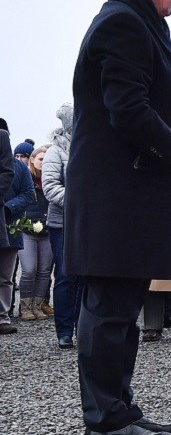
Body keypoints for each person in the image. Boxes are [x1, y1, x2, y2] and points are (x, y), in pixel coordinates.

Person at [70, 0, 171, 435]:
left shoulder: (139, 21)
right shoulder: (122, 23)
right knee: (109, 307)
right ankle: (104, 420)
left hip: (127, 191)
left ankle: (120, 407)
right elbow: (126, 109)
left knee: (123, 306)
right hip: (116, 193)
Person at [42, 103, 80, 348]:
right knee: (66, 276)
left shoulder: (91, 147)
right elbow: (50, 186)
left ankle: (84, 328)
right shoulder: (56, 152)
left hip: (88, 223)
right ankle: (64, 331)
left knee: (88, 276)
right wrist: (79, 202)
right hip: (63, 223)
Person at [1, 131, 33, 333]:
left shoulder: (19, 168)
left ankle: (2, 316)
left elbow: (28, 194)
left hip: (9, 224)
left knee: (5, 276)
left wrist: (8, 208)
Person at [19, 145, 54, 321]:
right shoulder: (25, 179)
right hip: (26, 230)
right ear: (32, 159)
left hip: (47, 230)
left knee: (44, 271)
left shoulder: (52, 178)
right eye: (40, 159)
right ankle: (25, 306)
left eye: (46, 159)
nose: (43, 163)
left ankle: (37, 305)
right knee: (29, 269)